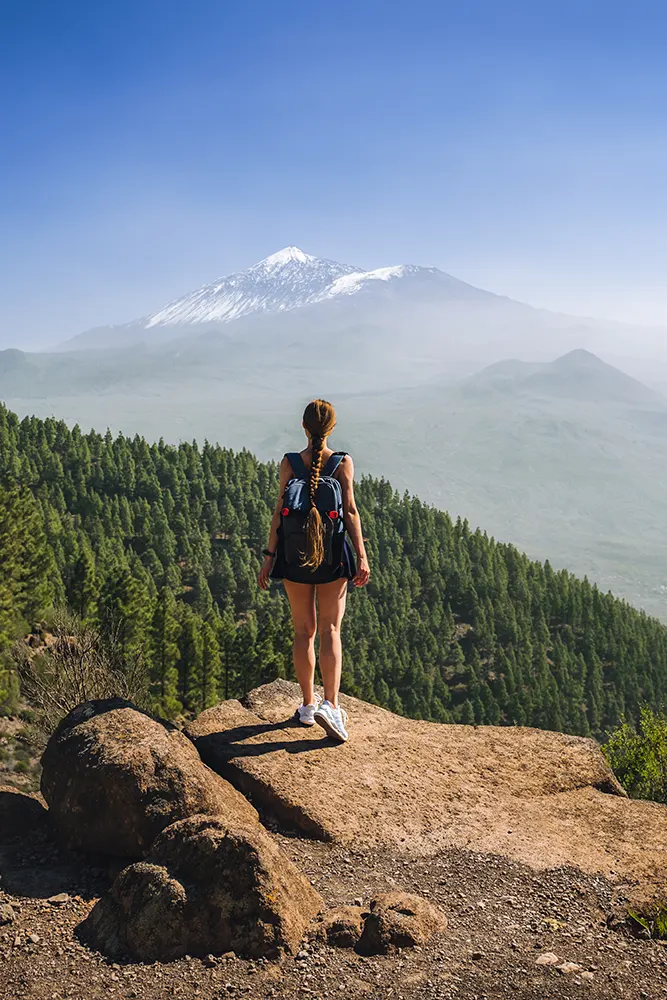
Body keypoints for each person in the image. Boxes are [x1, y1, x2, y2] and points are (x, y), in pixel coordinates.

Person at [257, 399, 370, 742]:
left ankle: (307, 706)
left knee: (303, 631)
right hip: (333, 557)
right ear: (331, 428)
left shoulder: (289, 463)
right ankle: (331, 706)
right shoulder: (342, 463)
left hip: (294, 557)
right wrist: (362, 556)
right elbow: (349, 511)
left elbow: (278, 512)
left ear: (303, 428)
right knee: (330, 629)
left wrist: (269, 557)